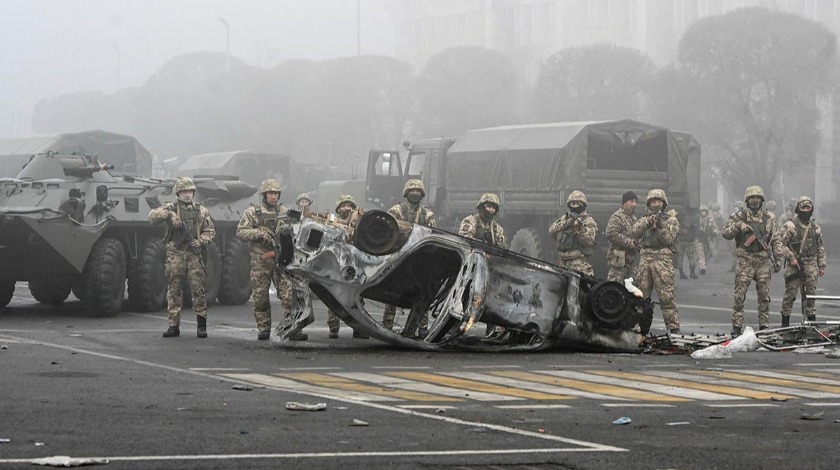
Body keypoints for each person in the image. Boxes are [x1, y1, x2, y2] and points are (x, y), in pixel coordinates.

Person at [236, 179, 307, 341]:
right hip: (261, 261)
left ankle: (293, 328)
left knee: (289, 296)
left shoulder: (285, 212)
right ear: (264, 194)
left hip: (282, 260)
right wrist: (260, 234)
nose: (273, 197)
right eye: (270, 193)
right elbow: (240, 232)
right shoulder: (253, 212)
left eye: (275, 193)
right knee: (260, 297)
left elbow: (300, 228)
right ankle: (263, 328)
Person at [148, 177, 216, 338]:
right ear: (178, 193)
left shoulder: (201, 210)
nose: (187, 194)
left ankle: (201, 325)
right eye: (184, 191)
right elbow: (152, 216)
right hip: (175, 253)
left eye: (189, 191)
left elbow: (210, 231)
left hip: (194, 253)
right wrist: (169, 215)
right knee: (174, 289)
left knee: (198, 289)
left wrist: (201, 242)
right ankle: (173, 325)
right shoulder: (171, 208)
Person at [721, 185, 790, 336]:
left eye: (757, 198)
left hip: (763, 260)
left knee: (764, 296)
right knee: (740, 295)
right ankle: (737, 326)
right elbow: (725, 233)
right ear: (747, 200)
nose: (754, 201)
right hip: (745, 259)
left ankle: (764, 326)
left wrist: (778, 259)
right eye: (752, 198)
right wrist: (739, 227)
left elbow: (776, 239)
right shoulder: (739, 217)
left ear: (762, 200)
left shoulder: (769, 218)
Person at [382, 180, 437, 333]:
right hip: (398, 256)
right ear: (406, 193)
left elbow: (432, 236)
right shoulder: (396, 211)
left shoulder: (428, 215)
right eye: (412, 191)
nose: (415, 193)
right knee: (392, 291)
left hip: (420, 259)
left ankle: (422, 327)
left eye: (418, 191)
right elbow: (388, 232)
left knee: (422, 292)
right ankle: (387, 324)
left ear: (422, 194)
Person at [629, 189, 681, 334]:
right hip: (645, 258)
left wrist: (660, 226)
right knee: (641, 295)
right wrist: (647, 222)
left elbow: (669, 239)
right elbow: (633, 232)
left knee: (666, 296)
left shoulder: (671, 220)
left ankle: (673, 328)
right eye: (652, 201)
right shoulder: (644, 219)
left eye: (658, 201)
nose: (655, 204)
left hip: (662, 259)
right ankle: (639, 328)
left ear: (664, 203)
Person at [459, 193, 507, 336]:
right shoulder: (470, 221)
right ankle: (456, 326)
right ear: (481, 207)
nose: (490, 210)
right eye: (488, 206)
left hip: (487, 269)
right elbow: (464, 240)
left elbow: (502, 248)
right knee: (464, 298)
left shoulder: (496, 229)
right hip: (469, 267)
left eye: (493, 208)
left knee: (490, 298)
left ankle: (491, 329)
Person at [779, 196, 827, 326]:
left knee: (810, 297)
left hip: (811, 264)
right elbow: (780, 245)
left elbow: (820, 246)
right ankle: (785, 325)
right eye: (803, 207)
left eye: (808, 207)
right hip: (795, 265)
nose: (806, 210)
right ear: (797, 209)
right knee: (790, 295)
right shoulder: (790, 226)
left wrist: (821, 265)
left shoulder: (815, 227)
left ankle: (811, 325)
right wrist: (791, 257)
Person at [328, 194, 368, 339]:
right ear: (338, 209)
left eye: (349, 205)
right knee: (334, 293)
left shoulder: (360, 222)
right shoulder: (331, 222)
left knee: (357, 296)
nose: (346, 208)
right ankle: (333, 327)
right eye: (343, 206)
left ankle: (359, 328)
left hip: (355, 263)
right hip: (337, 262)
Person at [548, 190, 598, 276]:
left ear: (583, 205)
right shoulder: (564, 219)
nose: (575, 206)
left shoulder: (588, 221)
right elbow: (551, 231)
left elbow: (588, 241)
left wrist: (579, 229)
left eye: (578, 203)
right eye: (573, 203)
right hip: (562, 264)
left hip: (579, 266)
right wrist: (566, 224)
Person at [605, 191, 640, 282]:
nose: (634, 204)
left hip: (631, 262)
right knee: (615, 288)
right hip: (618, 262)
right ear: (624, 202)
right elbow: (610, 233)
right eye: (631, 201)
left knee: (632, 289)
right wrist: (629, 242)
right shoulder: (617, 217)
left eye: (636, 202)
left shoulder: (634, 219)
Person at [675, 211, 698, 279]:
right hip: (689, 241)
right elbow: (695, 229)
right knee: (692, 257)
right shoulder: (692, 218)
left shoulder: (677, 219)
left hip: (681, 241)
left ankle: (681, 274)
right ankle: (692, 273)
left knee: (680, 258)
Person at [696, 205, 719, 273]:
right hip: (699, 239)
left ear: (707, 212)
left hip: (708, 239)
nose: (703, 213)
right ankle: (702, 267)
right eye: (702, 211)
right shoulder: (697, 219)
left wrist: (715, 232)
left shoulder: (710, 220)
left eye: (705, 211)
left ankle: (704, 265)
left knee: (707, 255)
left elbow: (715, 227)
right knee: (700, 253)